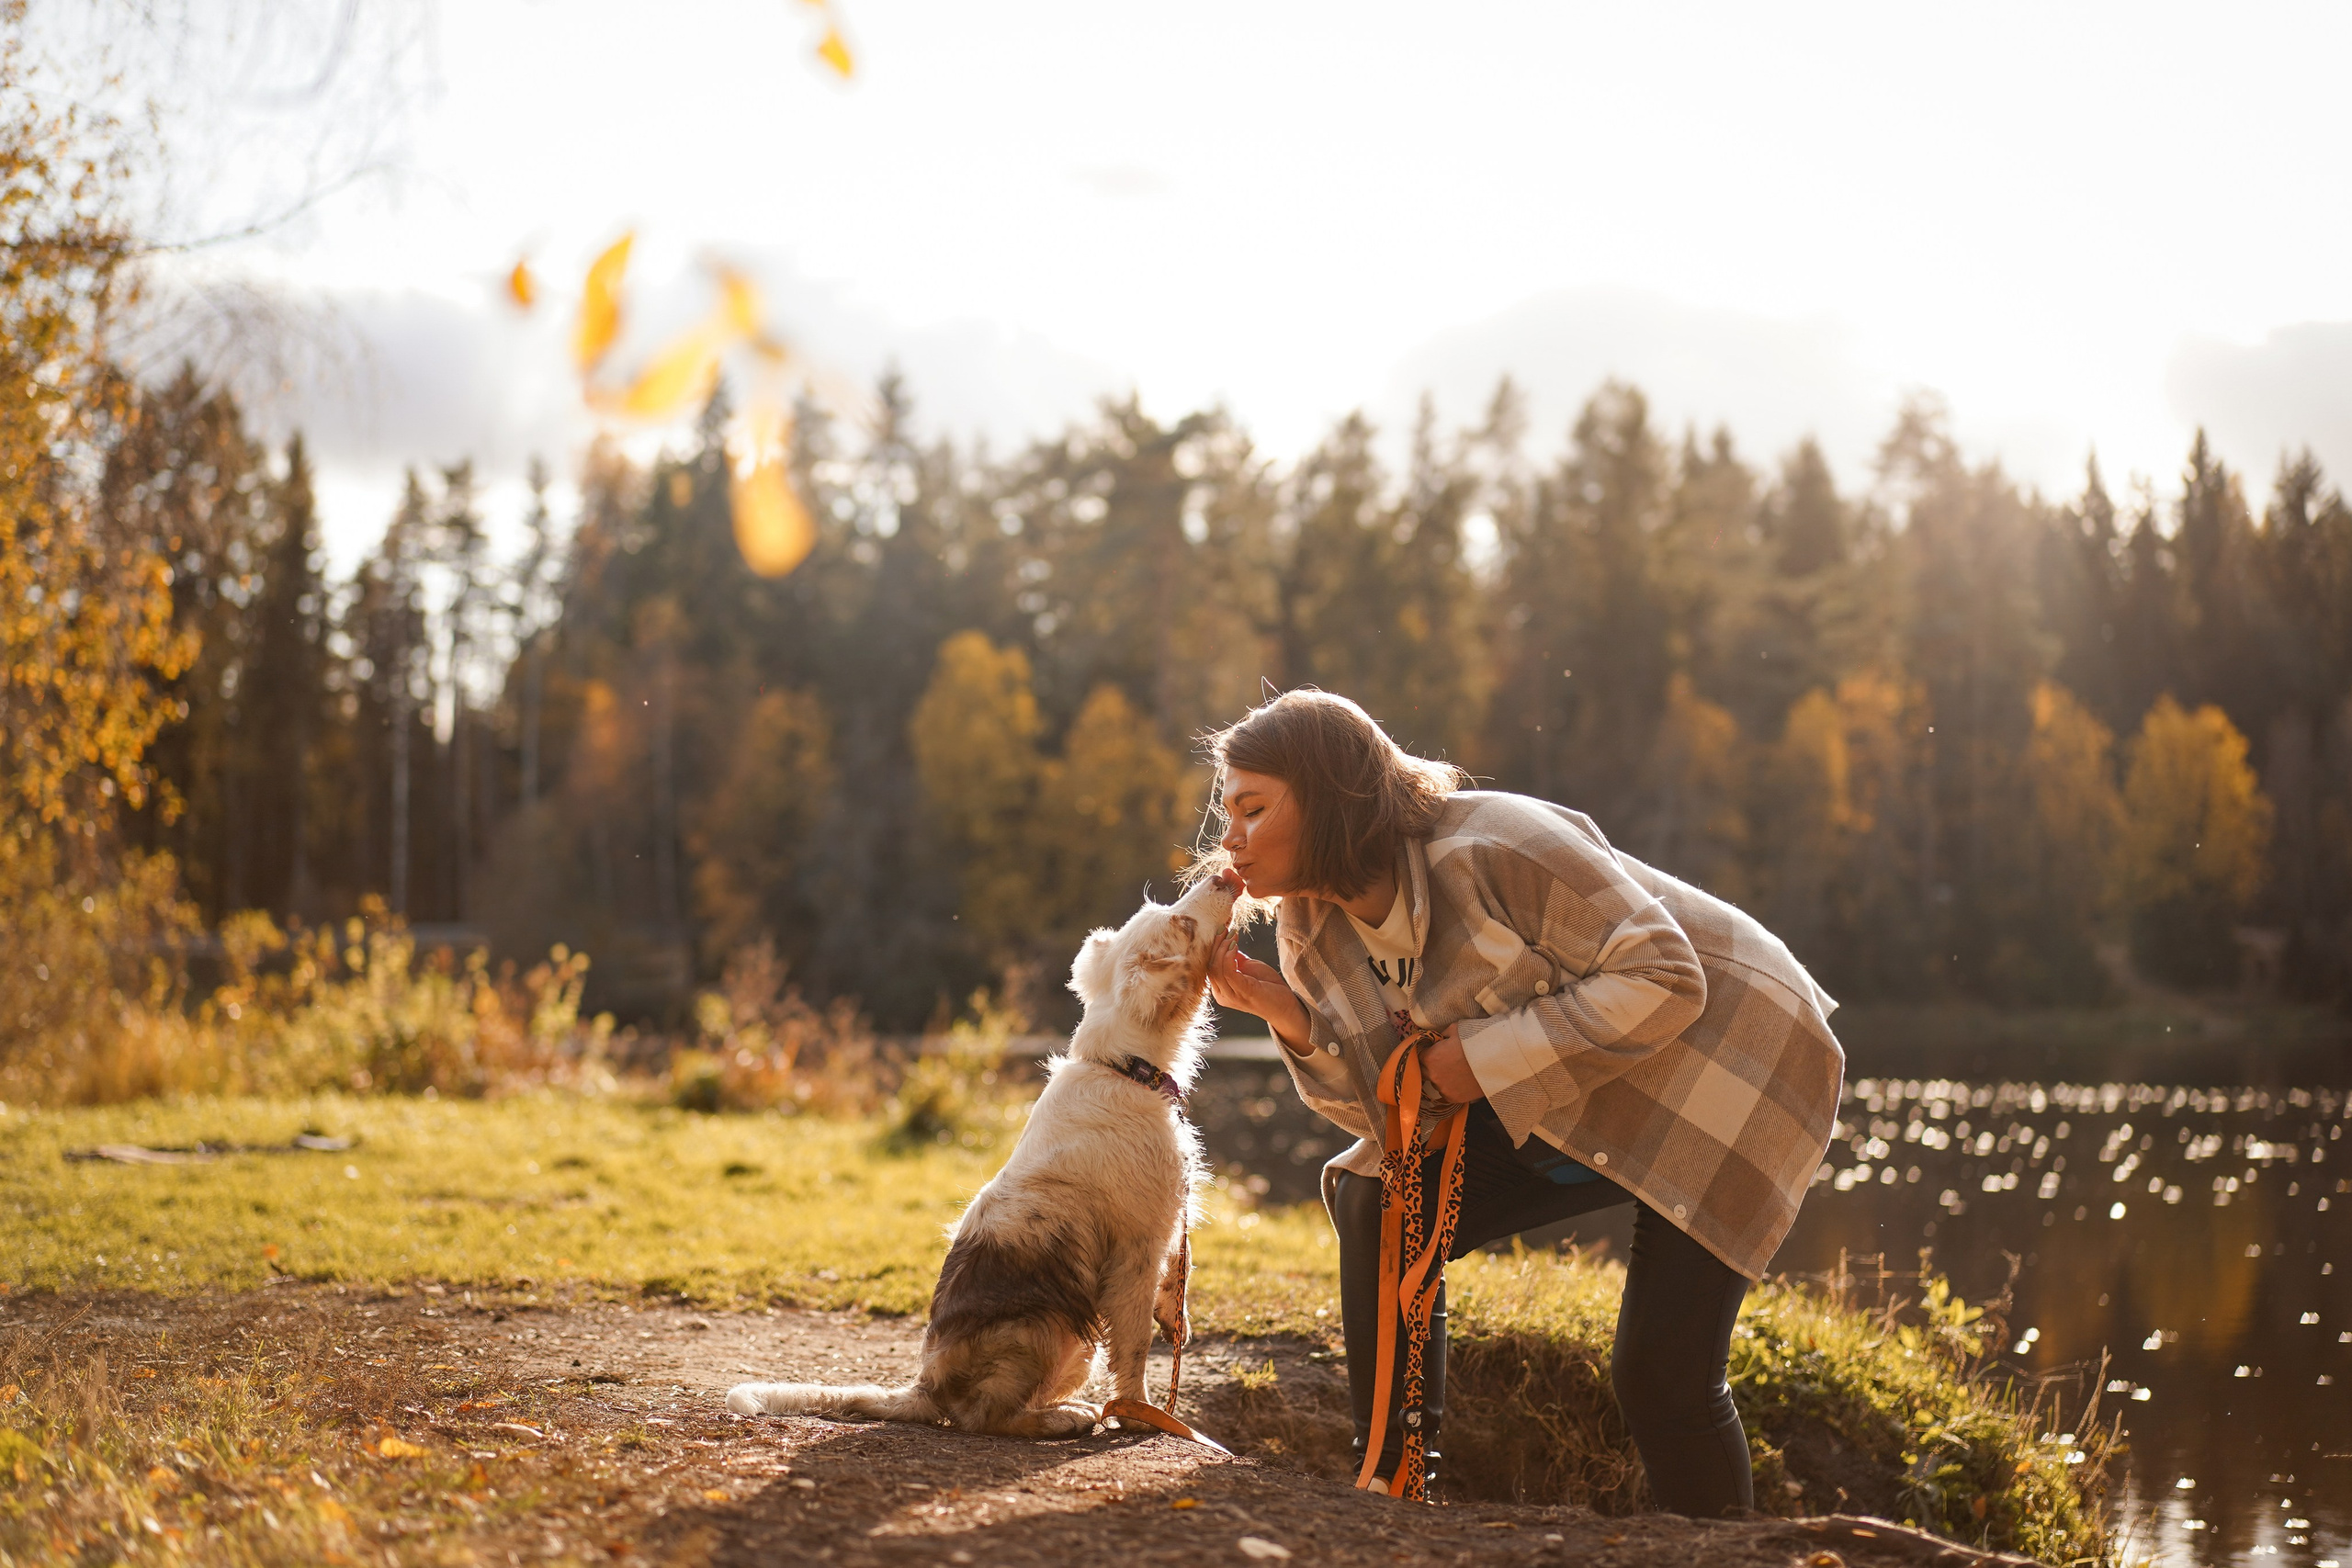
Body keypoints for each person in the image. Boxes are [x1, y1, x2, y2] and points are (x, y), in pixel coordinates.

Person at [1203, 690, 1843, 1517]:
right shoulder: (1308, 931)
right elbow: (1394, 1117)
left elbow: (1665, 974)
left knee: (1662, 1375)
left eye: (1253, 808)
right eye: (1228, 812)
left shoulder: (1497, 841)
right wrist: (1291, 1019)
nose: (1230, 837)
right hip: (1588, 1082)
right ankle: (1396, 1498)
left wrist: (1478, 1056)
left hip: (1742, 1052)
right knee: (1378, 1192)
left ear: (1328, 796)